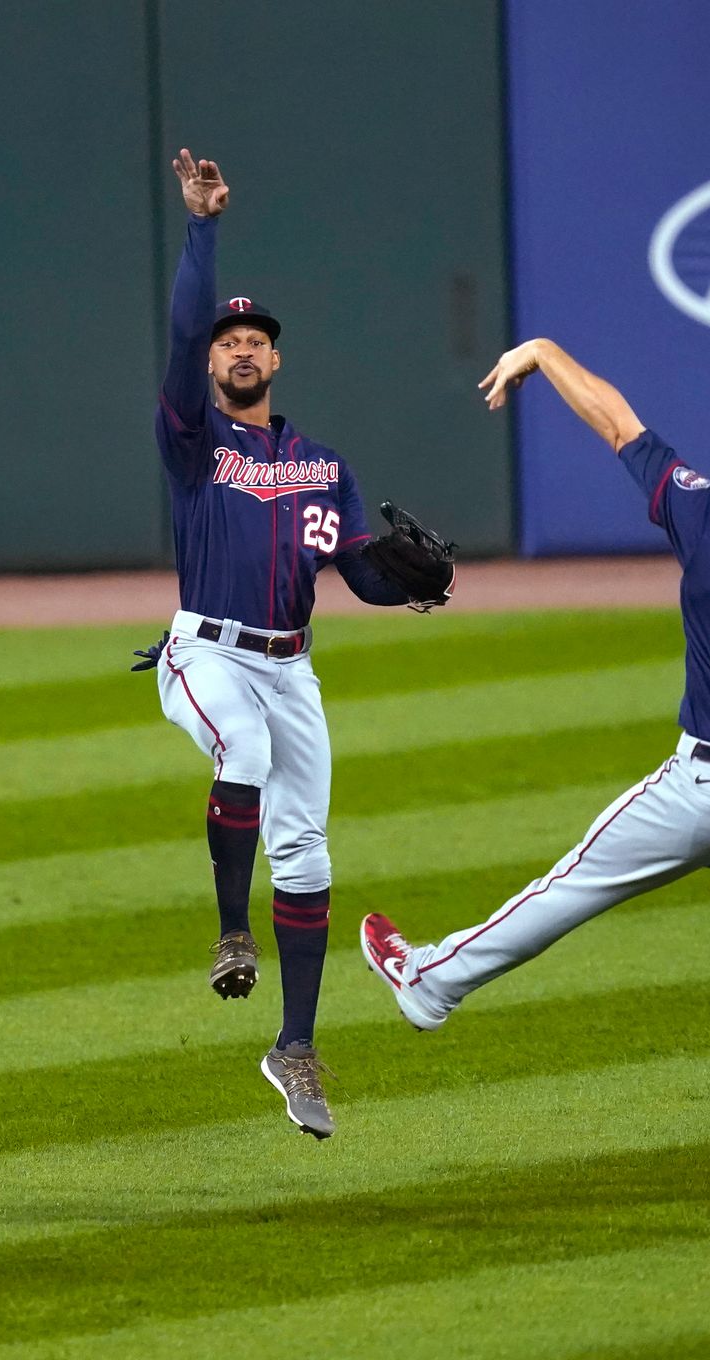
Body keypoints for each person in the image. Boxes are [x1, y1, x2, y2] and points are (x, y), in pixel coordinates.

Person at [361, 337, 710, 1237]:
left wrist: (541, 352)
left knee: (569, 886)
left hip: (703, 786)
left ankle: (430, 982)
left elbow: (618, 421)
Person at [150, 149, 434, 1139]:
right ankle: (233, 930)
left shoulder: (323, 464)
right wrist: (202, 225)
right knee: (246, 750)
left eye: (253, 339)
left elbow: (354, 571)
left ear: (276, 359)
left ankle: (295, 1044)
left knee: (308, 851)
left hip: (291, 663)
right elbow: (184, 326)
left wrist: (411, 585)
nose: (236, 346)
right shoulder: (195, 445)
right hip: (206, 652)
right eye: (228, 337)